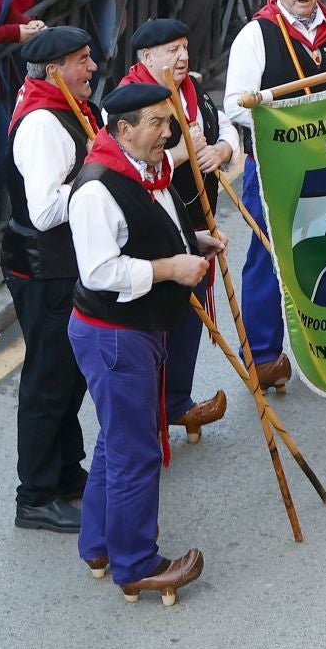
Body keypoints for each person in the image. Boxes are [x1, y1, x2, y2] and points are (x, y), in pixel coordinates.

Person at [66, 80, 216, 602]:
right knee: (136, 450)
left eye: (168, 121)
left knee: (116, 439)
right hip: (115, 335)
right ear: (123, 129)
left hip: (137, 331)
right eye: (156, 123)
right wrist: (173, 266)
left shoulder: (145, 168)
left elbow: (147, 227)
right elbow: (101, 270)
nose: (166, 133)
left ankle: (100, 543)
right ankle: (137, 564)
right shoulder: (96, 188)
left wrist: (189, 242)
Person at [222, 0, 326, 389]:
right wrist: (290, 121)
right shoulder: (256, 35)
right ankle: (262, 355)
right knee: (269, 254)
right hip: (276, 169)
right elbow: (235, 105)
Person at [118, 18, 233, 443]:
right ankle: (148, 419)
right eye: (171, 50)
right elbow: (134, 168)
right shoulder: (129, 103)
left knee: (189, 322)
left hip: (195, 227)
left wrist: (222, 149)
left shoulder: (193, 91)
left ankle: (177, 404)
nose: (183, 56)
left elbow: (224, 127)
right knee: (157, 327)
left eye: (184, 46)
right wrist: (182, 154)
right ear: (146, 58)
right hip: (155, 238)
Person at [4, 26, 100, 531]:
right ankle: (35, 495)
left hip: (64, 264)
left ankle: (66, 472)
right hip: (45, 268)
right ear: (53, 70)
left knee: (69, 376)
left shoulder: (69, 108)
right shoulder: (43, 123)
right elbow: (44, 211)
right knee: (48, 379)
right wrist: (100, 185)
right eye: (81, 61)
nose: (92, 68)